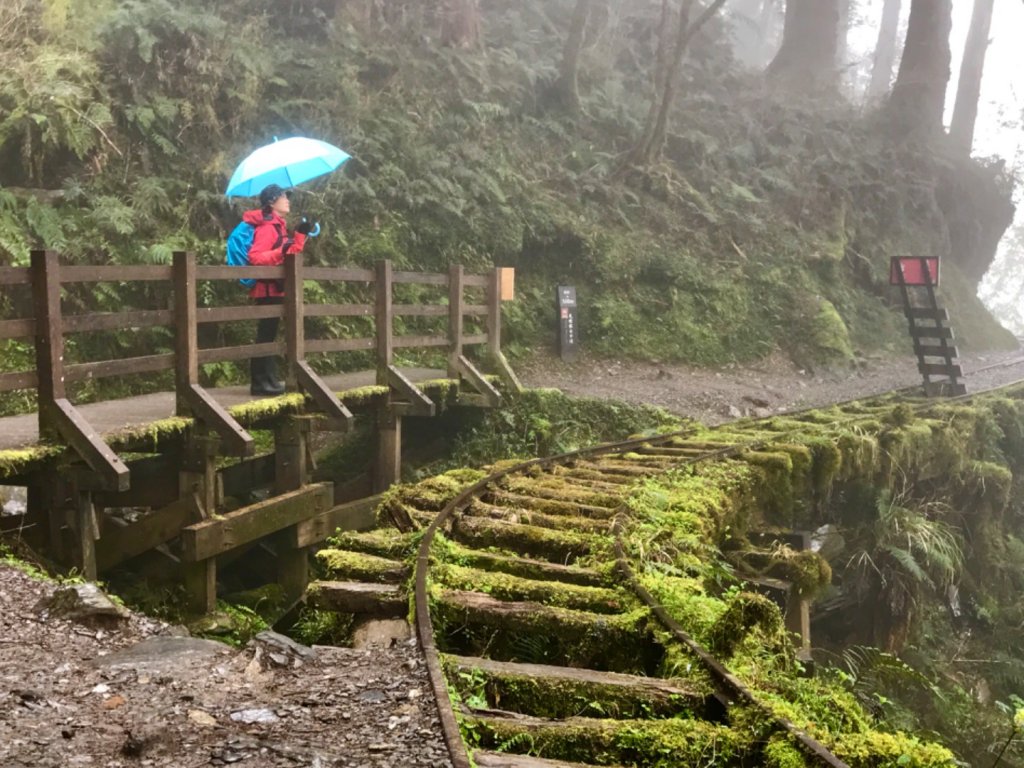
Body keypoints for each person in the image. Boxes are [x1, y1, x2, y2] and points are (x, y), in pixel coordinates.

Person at [244, 183, 314, 395]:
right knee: (265, 335)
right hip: (267, 290)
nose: (288, 200)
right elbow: (255, 258)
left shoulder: (278, 226)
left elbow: (290, 254)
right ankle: (259, 383)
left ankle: (270, 380)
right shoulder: (266, 228)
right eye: (284, 196)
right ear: (272, 202)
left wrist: (301, 234)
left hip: (276, 289)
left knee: (269, 335)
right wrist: (281, 249)